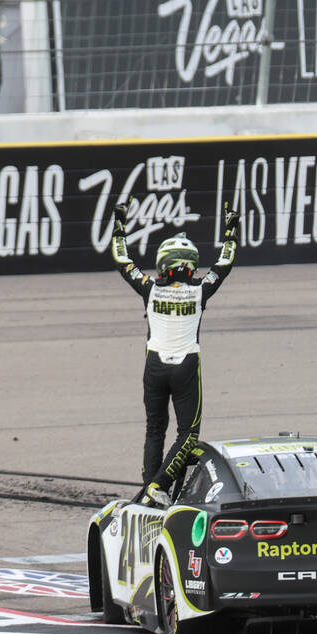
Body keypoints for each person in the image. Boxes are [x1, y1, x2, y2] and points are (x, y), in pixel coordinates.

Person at [111, 202, 239, 507]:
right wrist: (232, 227)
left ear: (163, 262)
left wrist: (119, 222)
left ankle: (148, 492)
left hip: (154, 366)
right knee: (189, 433)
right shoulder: (200, 290)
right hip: (185, 367)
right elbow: (225, 263)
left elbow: (121, 258)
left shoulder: (149, 287)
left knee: (154, 428)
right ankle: (158, 485)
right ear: (191, 264)